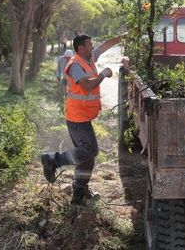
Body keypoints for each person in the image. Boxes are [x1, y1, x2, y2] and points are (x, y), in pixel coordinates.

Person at [40, 33, 123, 205]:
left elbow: (107, 44)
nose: (93, 47)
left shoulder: (90, 57)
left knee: (87, 157)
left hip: (83, 117)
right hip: (77, 118)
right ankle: (53, 159)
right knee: (90, 151)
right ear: (80, 48)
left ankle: (79, 193)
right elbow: (87, 85)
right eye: (89, 44)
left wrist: (125, 36)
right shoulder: (75, 65)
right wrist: (103, 74)